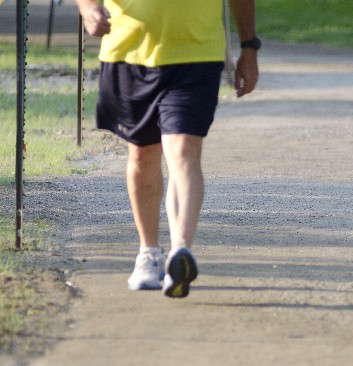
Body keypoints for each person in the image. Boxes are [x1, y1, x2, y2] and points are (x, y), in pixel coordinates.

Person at [75, 0, 259, 297]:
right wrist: (87, 9)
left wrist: (249, 47)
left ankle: (180, 252)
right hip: (128, 53)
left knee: (183, 150)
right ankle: (148, 252)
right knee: (142, 154)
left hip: (197, 54)